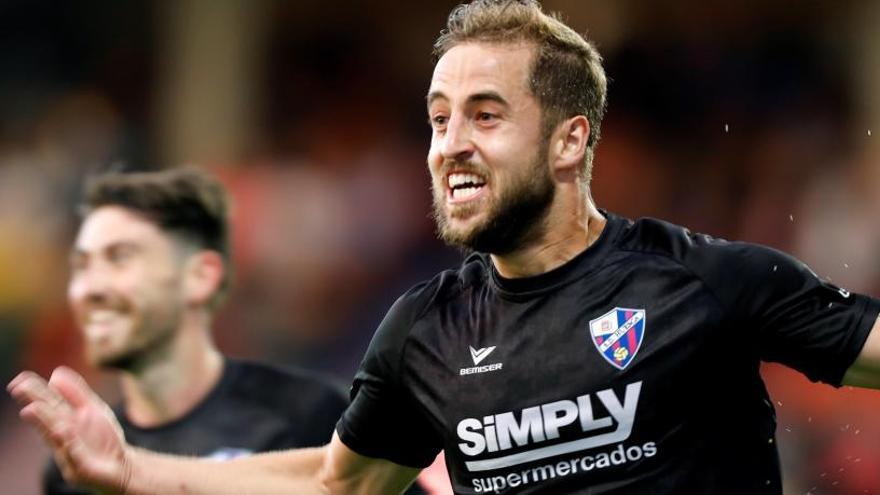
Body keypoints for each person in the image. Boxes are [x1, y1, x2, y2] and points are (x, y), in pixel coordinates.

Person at [9, 1, 880, 494]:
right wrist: (131, 470)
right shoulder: (424, 331)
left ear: (571, 141)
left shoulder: (706, 281)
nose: (449, 143)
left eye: (486, 115)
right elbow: (335, 484)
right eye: (437, 118)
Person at [39, 168, 351, 494]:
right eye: (82, 265)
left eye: (120, 258)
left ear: (200, 277)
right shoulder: (75, 467)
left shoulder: (313, 415)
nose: (91, 287)